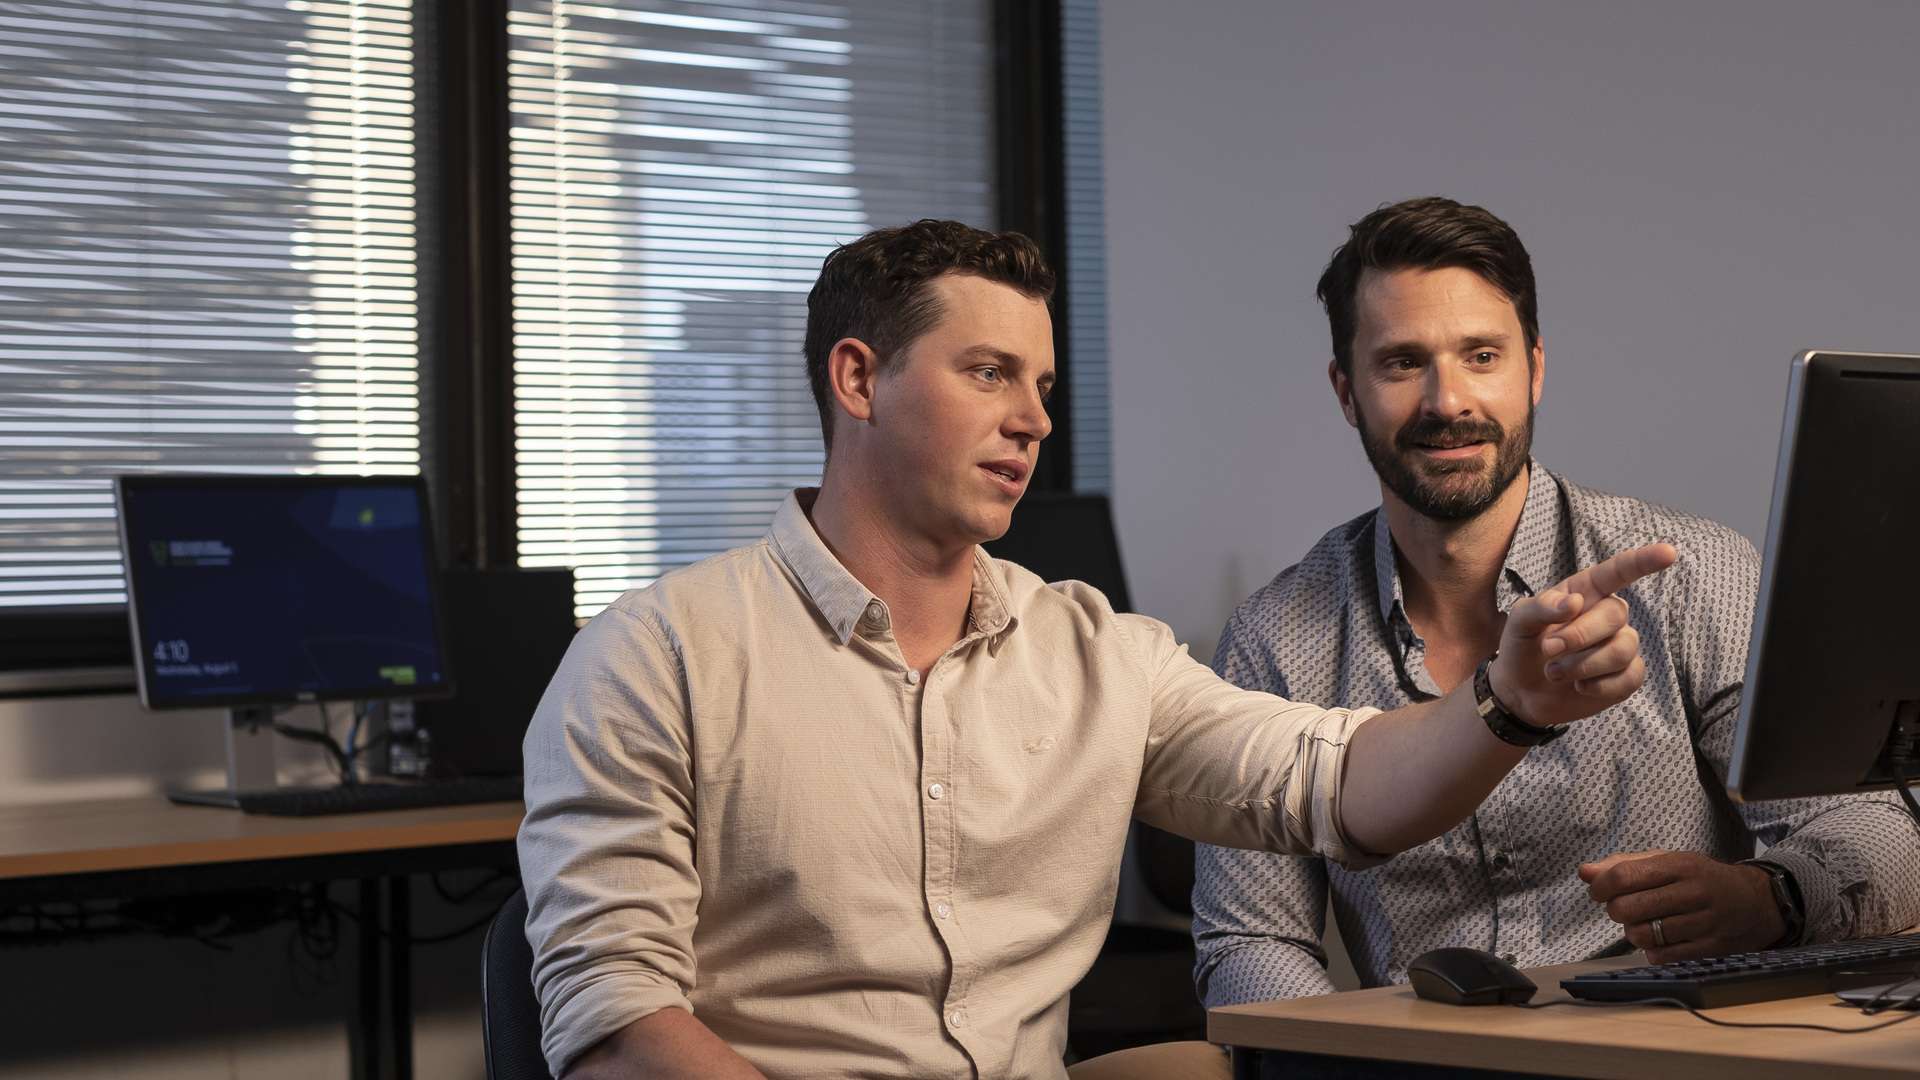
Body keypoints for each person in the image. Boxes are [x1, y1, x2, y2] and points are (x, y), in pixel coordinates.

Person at [517, 218, 1671, 1080]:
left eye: (1044, 385)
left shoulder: (1097, 652)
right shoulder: (657, 656)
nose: (1034, 418)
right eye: (988, 374)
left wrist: (1507, 704)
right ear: (858, 377)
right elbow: (615, 1016)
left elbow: (1339, 783)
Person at [1191, 197, 1920, 1011]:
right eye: (1402, 363)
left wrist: (1771, 898)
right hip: (1417, 1066)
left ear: (1533, 368)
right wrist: (1342, 1058)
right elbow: (1248, 940)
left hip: (1661, 1051)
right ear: (1346, 390)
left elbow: (1888, 836)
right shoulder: (1274, 636)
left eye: (1481, 356)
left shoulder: (1693, 575)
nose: (1447, 401)